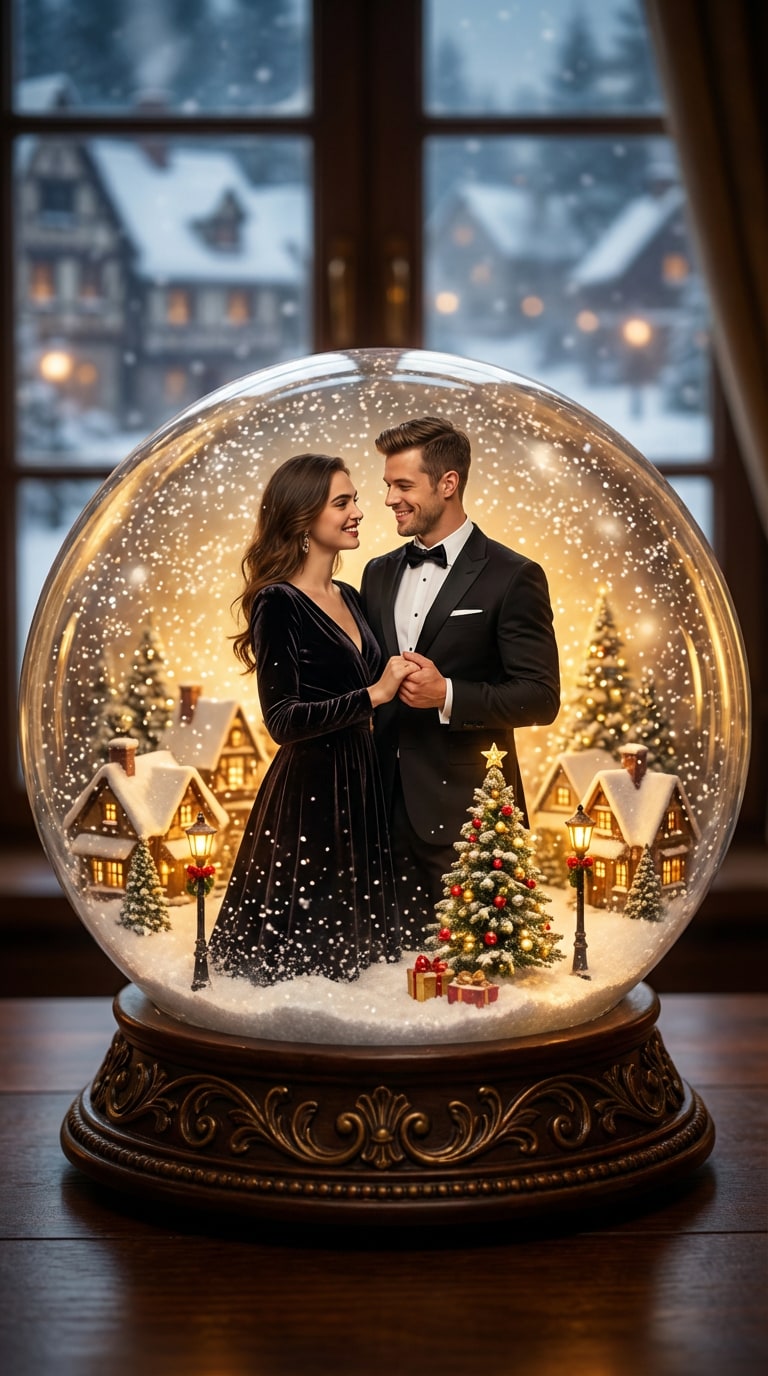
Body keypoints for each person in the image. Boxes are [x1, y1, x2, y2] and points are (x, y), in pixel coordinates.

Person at [208, 453, 414, 985]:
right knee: (307, 964)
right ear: (303, 519)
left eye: (356, 500)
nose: (358, 512)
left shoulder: (349, 595)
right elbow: (282, 720)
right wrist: (374, 693)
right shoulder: (278, 602)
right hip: (311, 797)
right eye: (341, 502)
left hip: (362, 783)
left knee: (360, 967)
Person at [360, 416, 560, 945]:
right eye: (387, 486)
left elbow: (540, 697)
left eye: (402, 486)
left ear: (447, 484)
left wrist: (445, 694)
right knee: (387, 976)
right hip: (377, 811)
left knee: (467, 991)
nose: (389, 500)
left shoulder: (514, 575)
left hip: (469, 821)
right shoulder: (376, 573)